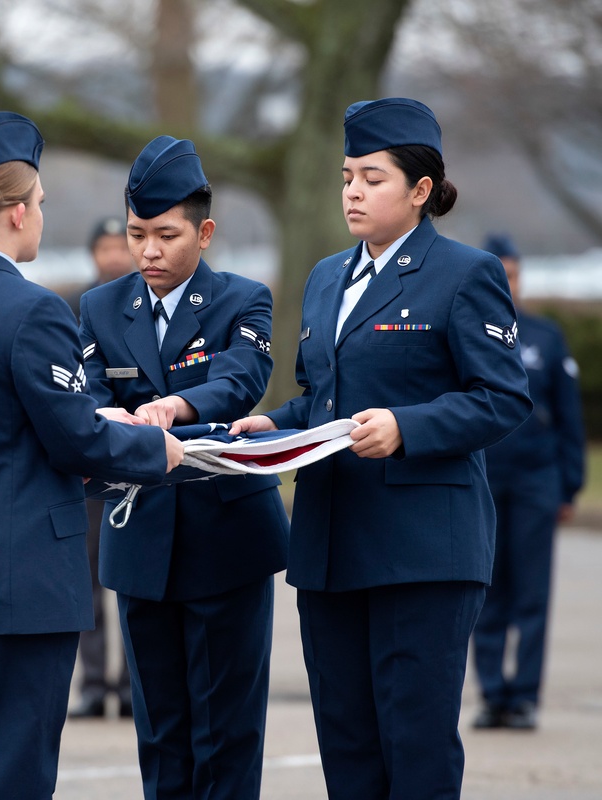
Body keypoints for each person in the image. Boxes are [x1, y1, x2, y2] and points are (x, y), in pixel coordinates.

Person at [230, 98, 532, 799]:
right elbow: (324, 397)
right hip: (333, 546)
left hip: (422, 550)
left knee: (415, 747)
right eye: (346, 177)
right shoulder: (326, 277)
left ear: (420, 190)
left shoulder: (465, 274)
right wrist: (275, 427)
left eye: (372, 177)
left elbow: (503, 397)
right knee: (348, 746)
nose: (353, 193)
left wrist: (408, 426)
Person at [0, 111, 184, 800]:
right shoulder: (34, 311)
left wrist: (82, 417)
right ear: (17, 213)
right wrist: (153, 446)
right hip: (19, 589)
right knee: (12, 777)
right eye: (43, 204)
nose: (43, 218)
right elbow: (75, 439)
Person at [78, 135, 290, 800]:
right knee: (162, 733)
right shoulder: (102, 308)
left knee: (226, 735)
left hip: (226, 541)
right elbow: (86, 399)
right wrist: (104, 418)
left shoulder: (242, 299)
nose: (147, 251)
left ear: (204, 232)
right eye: (138, 234)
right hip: (140, 539)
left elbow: (241, 377)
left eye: (165, 235)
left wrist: (174, 405)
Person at [471, 233, 585, 731]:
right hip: (486, 479)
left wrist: (570, 485)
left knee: (532, 593)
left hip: (537, 481)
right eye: (499, 273)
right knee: (487, 592)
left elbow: (568, 416)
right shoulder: (468, 331)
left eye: (513, 274)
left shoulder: (544, 336)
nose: (507, 283)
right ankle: (493, 695)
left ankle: (525, 698)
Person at [66, 217, 136, 719]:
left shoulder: (144, 303)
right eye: (105, 246)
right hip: (91, 464)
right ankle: (93, 685)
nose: (114, 256)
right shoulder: (73, 308)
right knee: (86, 579)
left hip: (136, 457)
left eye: (121, 246)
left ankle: (133, 687)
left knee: (133, 578)